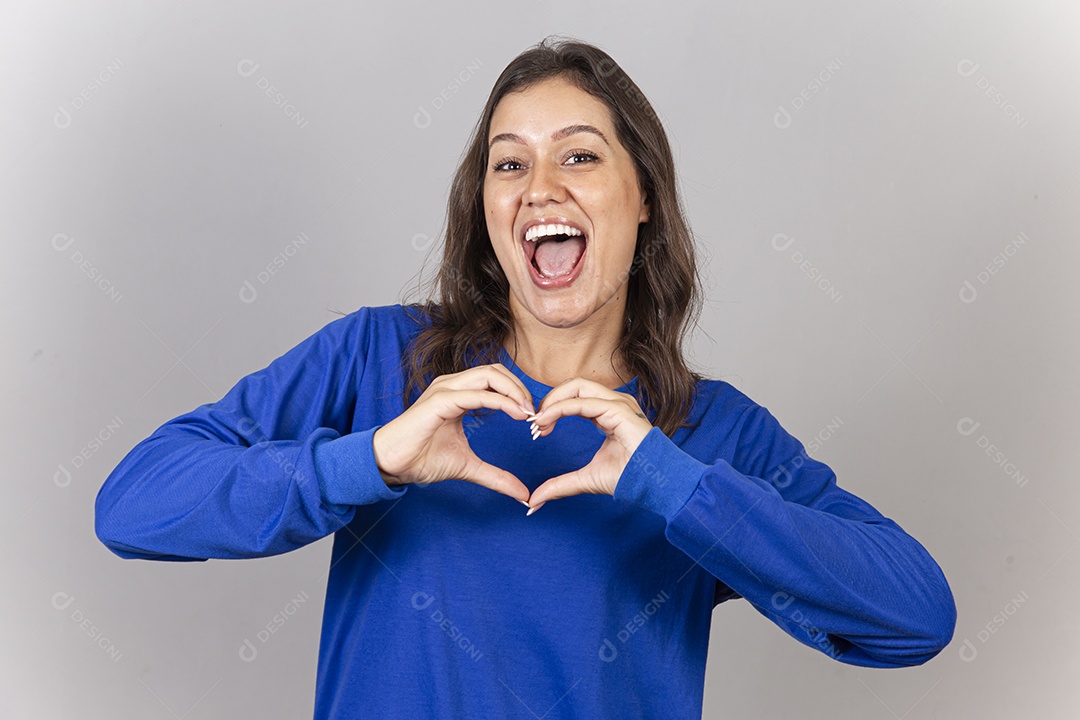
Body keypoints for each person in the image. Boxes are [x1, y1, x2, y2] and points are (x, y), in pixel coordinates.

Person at [95, 36, 956, 719]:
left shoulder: (706, 431)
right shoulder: (379, 360)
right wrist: (373, 461)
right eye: (509, 164)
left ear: (644, 195)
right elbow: (132, 505)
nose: (540, 187)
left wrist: (671, 485)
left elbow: (915, 615)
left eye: (578, 157)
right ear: (487, 206)